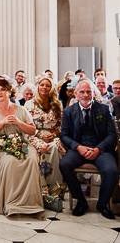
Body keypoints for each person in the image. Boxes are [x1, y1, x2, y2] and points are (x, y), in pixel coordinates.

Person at [0, 79, 44, 216]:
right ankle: (11, 203)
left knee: (31, 159)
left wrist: (18, 122)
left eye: (2, 89)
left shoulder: (21, 110)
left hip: (21, 143)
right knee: (10, 162)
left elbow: (32, 130)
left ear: (9, 91)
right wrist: (2, 122)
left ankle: (31, 203)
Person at [59, 80, 118, 219]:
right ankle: (81, 201)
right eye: (82, 92)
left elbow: (111, 135)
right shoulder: (68, 111)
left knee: (112, 170)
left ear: (93, 93)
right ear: (76, 94)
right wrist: (78, 147)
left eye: (88, 92)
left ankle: (102, 204)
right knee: (64, 164)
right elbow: (64, 135)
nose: (86, 95)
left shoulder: (103, 109)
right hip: (78, 149)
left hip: (100, 149)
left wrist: (98, 149)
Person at [24, 77, 65, 205]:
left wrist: (53, 133)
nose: (44, 87)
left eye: (47, 85)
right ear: (38, 86)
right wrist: (38, 133)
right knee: (44, 148)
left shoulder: (57, 104)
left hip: (53, 136)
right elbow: (26, 125)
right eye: (42, 85)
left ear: (51, 88)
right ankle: (43, 190)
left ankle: (55, 189)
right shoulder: (29, 104)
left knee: (54, 147)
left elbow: (61, 126)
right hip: (34, 135)